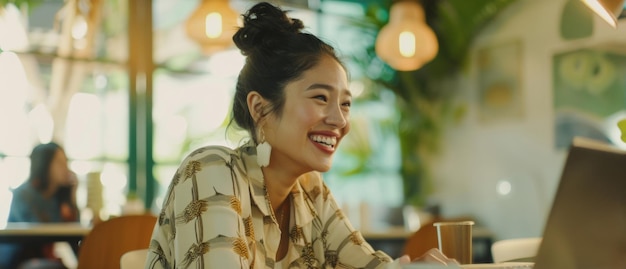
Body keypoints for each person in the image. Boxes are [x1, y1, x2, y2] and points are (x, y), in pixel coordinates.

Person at [144, 2, 456, 268]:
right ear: (260, 108)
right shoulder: (213, 170)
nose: (339, 120)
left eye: (346, 104)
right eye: (320, 98)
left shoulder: (310, 191)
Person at [0, 142, 80, 269]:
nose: (65, 168)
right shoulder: (23, 194)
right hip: (16, 260)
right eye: (59, 162)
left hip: (41, 259)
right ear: (45, 165)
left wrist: (71, 196)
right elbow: (39, 233)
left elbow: (73, 234)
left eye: (65, 162)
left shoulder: (59, 198)